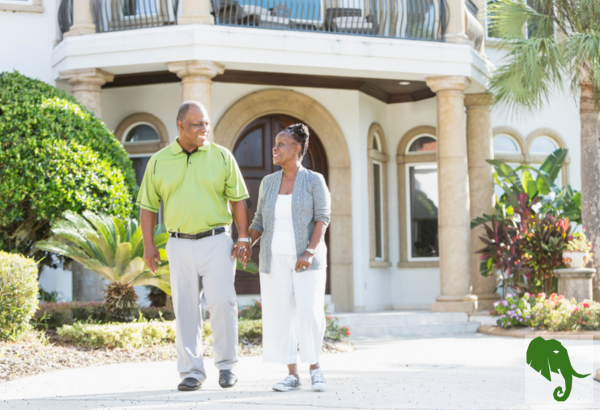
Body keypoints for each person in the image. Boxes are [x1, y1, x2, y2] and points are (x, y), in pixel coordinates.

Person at [138, 101, 252, 391]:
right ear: (180, 126)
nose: (205, 129)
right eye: (197, 124)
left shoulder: (222, 156)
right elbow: (148, 207)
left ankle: (226, 366)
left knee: (222, 303)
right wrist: (149, 246)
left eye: (206, 123)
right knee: (186, 308)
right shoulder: (159, 161)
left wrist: (243, 237)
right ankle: (191, 372)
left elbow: (238, 200)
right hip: (178, 243)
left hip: (216, 241)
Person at [248, 123, 331, 392]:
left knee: (309, 312)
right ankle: (292, 373)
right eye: (276, 143)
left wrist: (308, 251)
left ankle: (315, 367)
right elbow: (259, 220)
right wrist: (246, 243)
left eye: (281, 144)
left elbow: (322, 218)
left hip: (307, 260)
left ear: (296, 148)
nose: (275, 148)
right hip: (274, 259)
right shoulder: (268, 182)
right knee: (280, 315)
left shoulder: (314, 180)